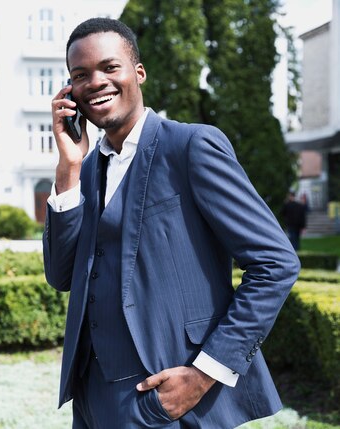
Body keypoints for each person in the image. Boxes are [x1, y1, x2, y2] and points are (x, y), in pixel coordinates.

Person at [43, 18, 300, 428]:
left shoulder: (191, 146)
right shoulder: (86, 169)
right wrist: (68, 171)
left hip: (166, 396)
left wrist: (204, 374)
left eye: (110, 67)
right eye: (80, 74)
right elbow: (61, 275)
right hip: (91, 399)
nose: (95, 82)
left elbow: (276, 263)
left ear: (138, 73)